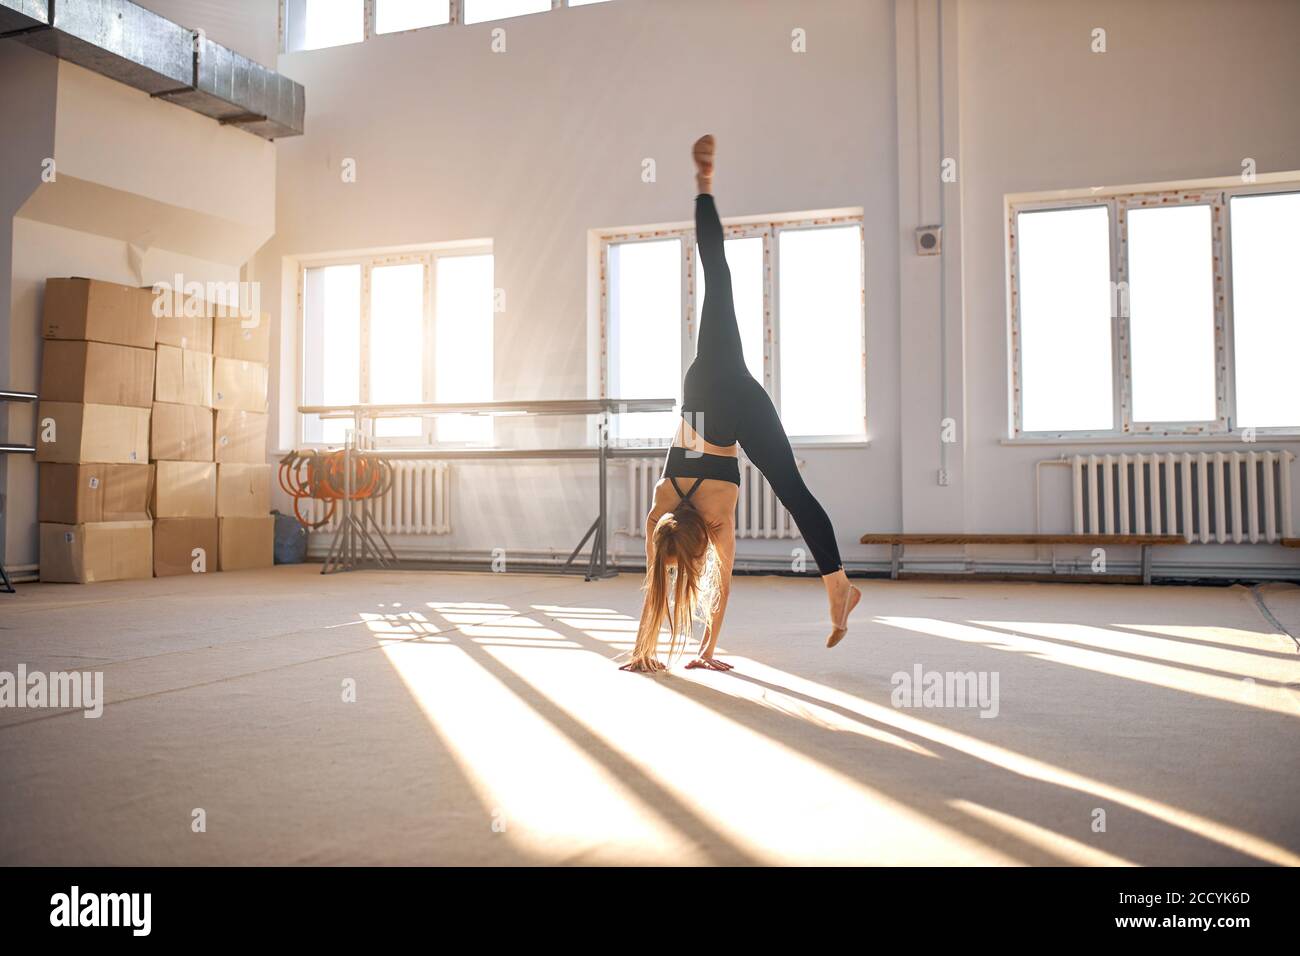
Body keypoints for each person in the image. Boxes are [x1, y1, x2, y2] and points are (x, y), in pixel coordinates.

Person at [620, 135, 860, 673]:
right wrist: (661, 650)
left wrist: (704, 651)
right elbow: (657, 586)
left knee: (791, 489)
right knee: (718, 277)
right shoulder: (660, 508)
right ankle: (838, 586)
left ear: (694, 545)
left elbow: (717, 586)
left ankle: (840, 590)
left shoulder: (715, 521)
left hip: (733, 401)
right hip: (705, 388)